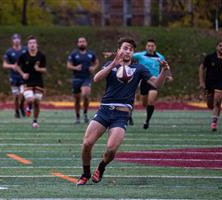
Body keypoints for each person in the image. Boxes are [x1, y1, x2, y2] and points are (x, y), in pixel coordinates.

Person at [76, 37, 170, 185]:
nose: (128, 51)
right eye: (125, 48)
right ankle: (85, 173)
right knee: (87, 144)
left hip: (121, 114)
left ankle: (101, 167)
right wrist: (114, 63)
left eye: (131, 49)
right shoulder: (110, 65)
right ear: (119, 50)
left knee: (111, 149)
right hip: (104, 111)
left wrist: (164, 71)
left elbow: (156, 85)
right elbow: (96, 78)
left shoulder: (139, 68)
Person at [132, 39, 173, 129]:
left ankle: (147, 121)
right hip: (143, 81)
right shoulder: (140, 55)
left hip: (155, 81)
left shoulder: (160, 57)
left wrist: (169, 75)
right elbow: (127, 56)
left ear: (155, 47)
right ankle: (145, 112)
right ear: (146, 47)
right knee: (144, 103)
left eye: (152, 46)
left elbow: (166, 66)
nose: (150, 48)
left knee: (151, 101)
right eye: (149, 46)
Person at [199, 40, 222, 131]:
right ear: (216, 47)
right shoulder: (210, 57)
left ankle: (214, 123)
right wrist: (202, 82)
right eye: (220, 45)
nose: (221, 47)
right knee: (210, 104)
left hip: (221, 84)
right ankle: (216, 112)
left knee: (217, 101)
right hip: (209, 83)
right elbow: (201, 68)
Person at [15, 36, 47, 128]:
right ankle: (29, 106)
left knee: (37, 102)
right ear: (28, 45)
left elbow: (44, 69)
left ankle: (35, 121)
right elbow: (16, 66)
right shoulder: (23, 55)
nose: (32, 45)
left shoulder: (41, 56)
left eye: (34, 43)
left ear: (37, 44)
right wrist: (22, 74)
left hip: (38, 81)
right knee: (30, 99)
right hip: (27, 81)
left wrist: (39, 69)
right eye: (30, 43)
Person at [67, 37, 99, 124]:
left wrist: (93, 67)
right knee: (77, 100)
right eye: (80, 42)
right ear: (78, 44)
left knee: (85, 95)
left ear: (86, 43)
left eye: (83, 42)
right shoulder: (74, 54)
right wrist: (75, 67)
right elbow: (69, 65)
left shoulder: (91, 54)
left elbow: (96, 62)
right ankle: (77, 117)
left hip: (86, 78)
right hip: (76, 79)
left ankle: (85, 113)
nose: (82, 43)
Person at [3, 33, 28, 118]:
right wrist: (11, 66)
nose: (16, 40)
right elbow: (4, 64)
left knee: (23, 93)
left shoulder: (25, 49)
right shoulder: (9, 51)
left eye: (18, 39)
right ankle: (16, 111)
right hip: (14, 76)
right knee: (16, 96)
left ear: (20, 40)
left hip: (23, 75)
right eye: (14, 39)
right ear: (12, 41)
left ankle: (21, 106)